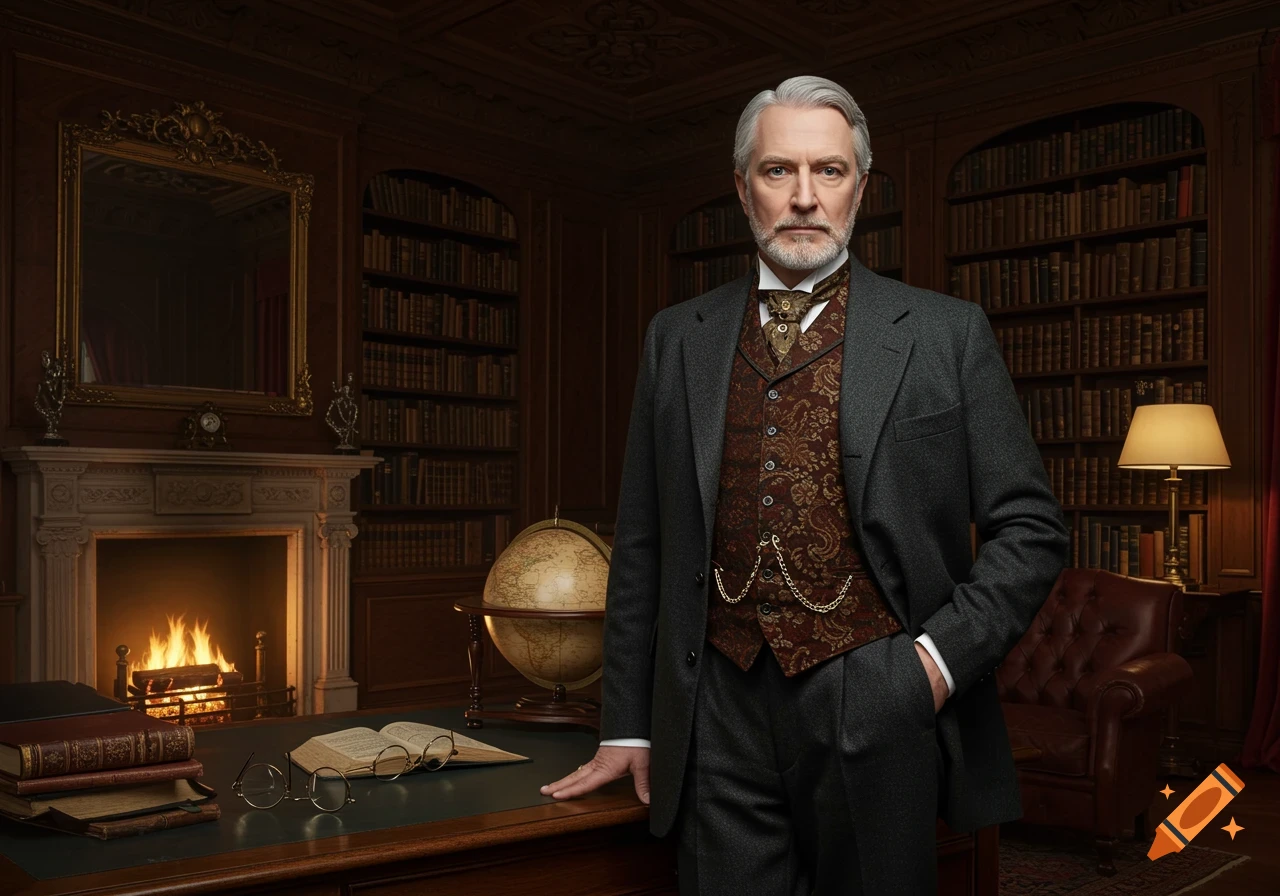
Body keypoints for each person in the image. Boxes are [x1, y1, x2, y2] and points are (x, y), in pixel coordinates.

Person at [540, 75, 1069, 895]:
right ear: (742, 187)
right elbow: (642, 543)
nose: (804, 197)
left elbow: (1031, 528)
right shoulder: (676, 338)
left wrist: (931, 667)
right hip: (714, 710)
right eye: (778, 170)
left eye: (829, 170)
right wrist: (630, 727)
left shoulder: (945, 334)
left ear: (860, 186)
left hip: (878, 697)